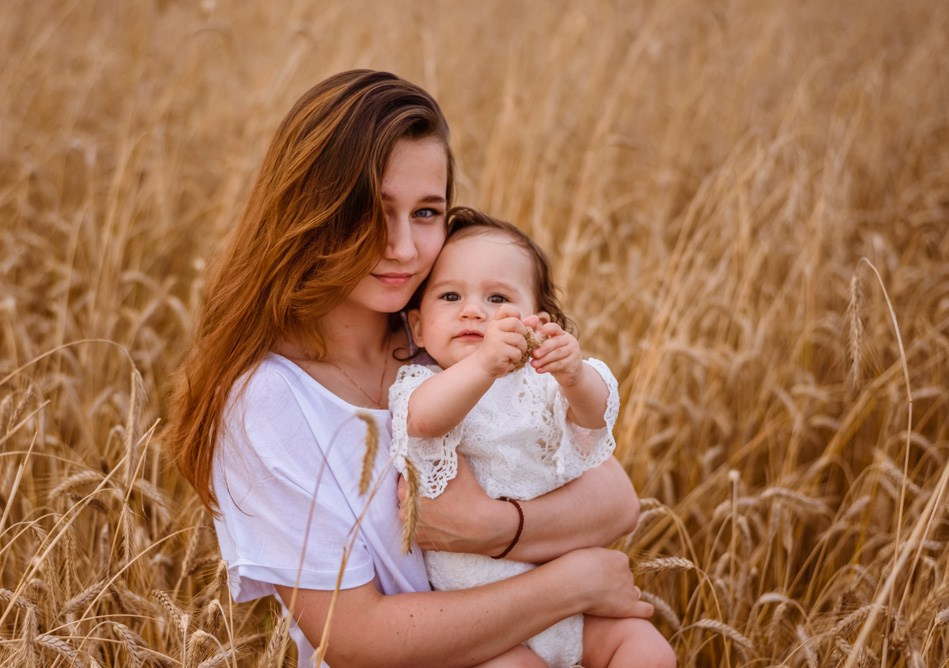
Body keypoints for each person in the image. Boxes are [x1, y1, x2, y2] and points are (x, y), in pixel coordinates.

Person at [167, 69, 673, 668]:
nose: (404, 247)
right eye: (373, 211)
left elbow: (616, 500)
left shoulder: (448, 334)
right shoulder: (270, 400)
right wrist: (573, 583)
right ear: (314, 210)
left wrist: (490, 527)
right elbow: (356, 637)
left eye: (427, 212)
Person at [389, 207, 676, 667]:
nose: (473, 310)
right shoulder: (423, 384)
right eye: (449, 296)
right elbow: (422, 422)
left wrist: (575, 374)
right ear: (418, 325)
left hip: (575, 604)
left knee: (648, 651)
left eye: (498, 298)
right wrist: (483, 365)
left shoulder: (542, 385)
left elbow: (597, 418)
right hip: (491, 617)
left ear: (537, 321)